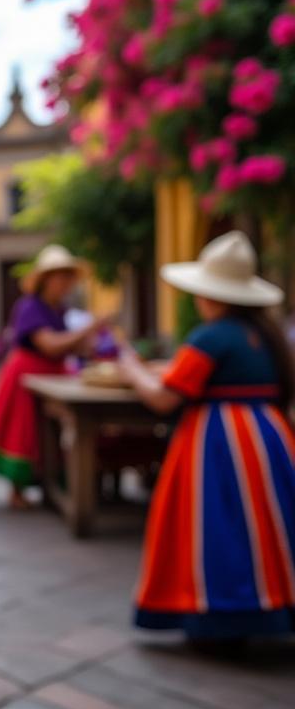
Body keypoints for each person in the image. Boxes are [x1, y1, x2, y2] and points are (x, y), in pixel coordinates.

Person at [118, 231, 295, 641]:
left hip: (219, 444)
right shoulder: (264, 335)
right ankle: (275, 604)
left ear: (210, 295)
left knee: (219, 527)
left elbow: (164, 399)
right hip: (271, 438)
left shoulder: (211, 336)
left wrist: (132, 371)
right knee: (270, 525)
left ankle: (223, 618)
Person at [0, 245, 108, 509]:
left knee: (51, 433)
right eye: (61, 276)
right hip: (27, 374)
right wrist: (88, 329)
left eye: (69, 276)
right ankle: (18, 491)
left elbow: (64, 345)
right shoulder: (30, 307)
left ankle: (54, 484)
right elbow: (50, 345)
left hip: (53, 372)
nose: (66, 282)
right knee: (24, 431)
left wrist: (87, 344)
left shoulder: (59, 310)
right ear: (46, 279)